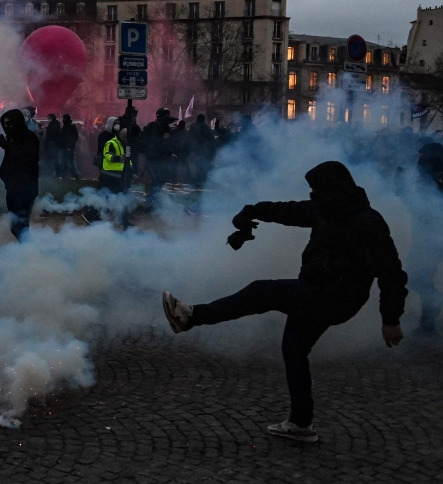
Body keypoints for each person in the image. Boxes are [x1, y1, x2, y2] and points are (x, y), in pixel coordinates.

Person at [161, 161, 407, 443]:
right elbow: (287, 210)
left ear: (333, 188)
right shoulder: (326, 209)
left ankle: (190, 316)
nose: (313, 195)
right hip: (316, 291)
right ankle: (301, 424)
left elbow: (392, 273)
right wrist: (252, 210)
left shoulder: (367, 222)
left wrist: (391, 318)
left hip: (335, 297)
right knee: (293, 349)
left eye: (317, 189)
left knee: (262, 292)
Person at [395, 142, 443, 335]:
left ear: (431, 157)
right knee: (416, 275)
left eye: (422, 156)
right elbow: (415, 206)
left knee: (420, 275)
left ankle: (429, 321)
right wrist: (401, 186)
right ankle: (431, 314)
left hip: (437, 236)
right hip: (423, 234)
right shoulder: (428, 177)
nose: (418, 160)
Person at [0, 109, 40, 241]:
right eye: (4, 124)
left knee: (20, 226)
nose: (6, 127)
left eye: (9, 124)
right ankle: (28, 253)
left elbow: (26, 159)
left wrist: (6, 146)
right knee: (15, 226)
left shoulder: (29, 138)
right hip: (12, 189)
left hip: (25, 189)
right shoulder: (13, 139)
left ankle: (30, 254)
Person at [59, 114, 80, 179]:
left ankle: (76, 175)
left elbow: (74, 138)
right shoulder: (64, 127)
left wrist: (70, 146)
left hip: (69, 148)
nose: (63, 120)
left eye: (64, 119)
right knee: (63, 162)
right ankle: (63, 176)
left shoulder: (72, 127)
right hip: (63, 147)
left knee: (71, 163)